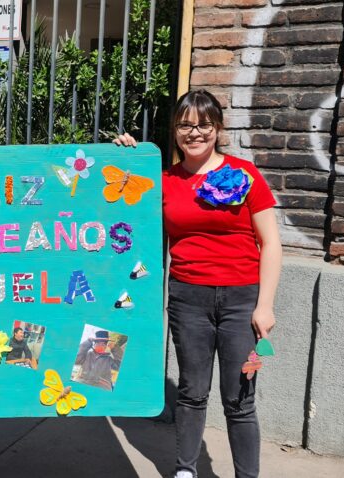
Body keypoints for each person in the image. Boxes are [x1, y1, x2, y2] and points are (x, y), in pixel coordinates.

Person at [115, 89, 282, 478]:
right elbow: (123, 207)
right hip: (188, 299)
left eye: (204, 124)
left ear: (217, 128)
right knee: (191, 393)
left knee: (239, 399)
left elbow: (271, 243)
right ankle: (186, 470)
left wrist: (265, 304)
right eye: (186, 125)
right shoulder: (163, 181)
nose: (195, 132)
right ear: (175, 131)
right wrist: (128, 159)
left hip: (242, 300)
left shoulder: (244, 174)